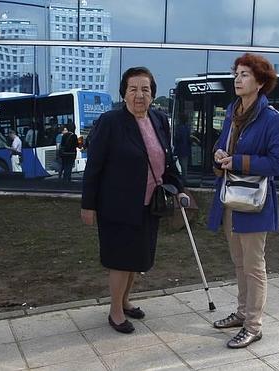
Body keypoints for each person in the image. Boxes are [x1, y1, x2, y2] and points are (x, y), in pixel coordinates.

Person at [81, 67, 187, 334]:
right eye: (133, 89)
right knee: (120, 260)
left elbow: (167, 158)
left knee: (137, 259)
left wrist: (179, 188)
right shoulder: (110, 122)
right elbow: (94, 166)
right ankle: (115, 311)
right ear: (124, 93)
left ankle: (126, 301)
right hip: (117, 205)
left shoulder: (159, 119)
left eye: (145, 89)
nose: (139, 95)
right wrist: (88, 205)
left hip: (149, 204)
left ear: (153, 94)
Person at [207, 53, 279, 348]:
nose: (237, 79)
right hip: (230, 197)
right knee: (239, 262)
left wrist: (238, 162)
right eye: (236, 73)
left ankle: (254, 325)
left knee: (254, 266)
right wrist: (218, 154)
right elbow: (223, 144)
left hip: (254, 201)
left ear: (260, 82)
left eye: (244, 74)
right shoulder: (233, 111)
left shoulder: (273, 119)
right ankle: (242, 313)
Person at [173, 114, 192, 182]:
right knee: (184, 166)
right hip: (185, 150)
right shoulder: (187, 128)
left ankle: (183, 180)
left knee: (182, 166)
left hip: (180, 150)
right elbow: (189, 140)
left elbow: (177, 139)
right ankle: (184, 179)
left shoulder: (179, 128)